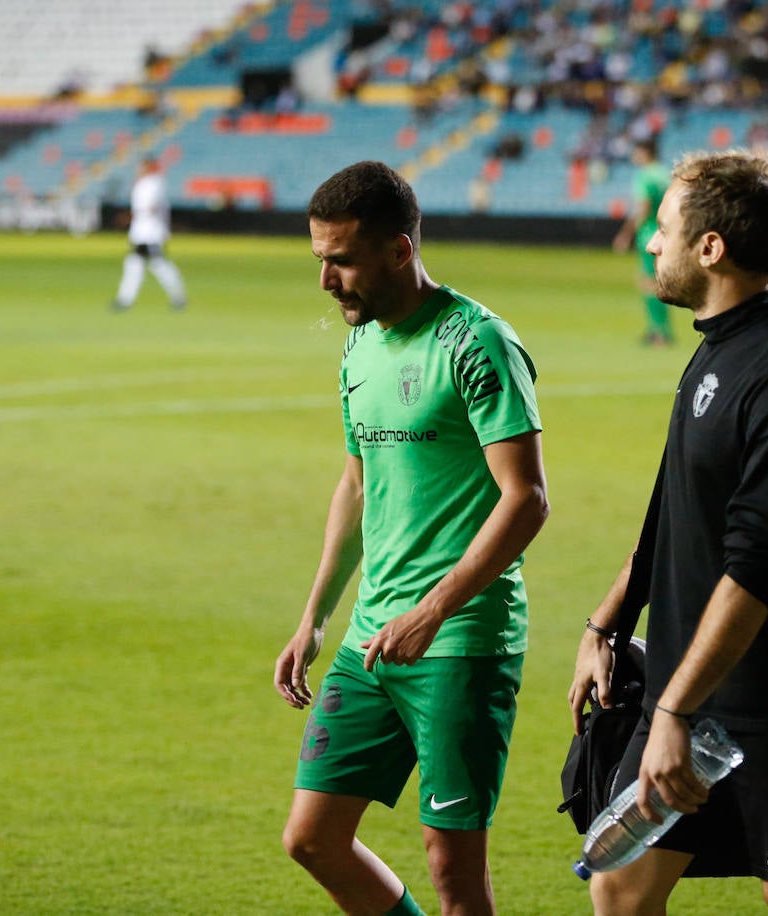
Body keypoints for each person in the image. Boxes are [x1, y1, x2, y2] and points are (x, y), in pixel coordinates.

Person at [569, 150, 768, 916]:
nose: (650, 242)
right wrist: (607, 622)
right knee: (618, 884)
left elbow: (756, 569)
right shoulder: (717, 352)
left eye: (664, 228)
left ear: (710, 248)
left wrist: (675, 712)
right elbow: (673, 510)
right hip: (691, 692)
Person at [275, 160, 550, 916]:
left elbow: (525, 501)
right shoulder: (359, 347)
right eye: (319, 259)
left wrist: (432, 611)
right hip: (372, 639)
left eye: (341, 260)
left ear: (399, 250)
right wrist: (315, 616)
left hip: (459, 641)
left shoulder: (476, 343)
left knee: (454, 874)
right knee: (313, 837)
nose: (326, 281)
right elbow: (358, 485)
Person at [612, 137, 674, 347]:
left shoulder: (645, 176)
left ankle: (658, 332)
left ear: (645, 152)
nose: (634, 156)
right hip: (667, 233)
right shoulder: (665, 174)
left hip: (649, 234)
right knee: (660, 282)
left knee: (649, 283)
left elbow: (643, 207)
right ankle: (663, 329)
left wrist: (626, 234)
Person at [111, 155, 186, 312]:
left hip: (151, 232)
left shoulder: (154, 183)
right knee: (135, 265)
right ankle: (125, 299)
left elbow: (152, 205)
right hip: (141, 233)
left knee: (157, 264)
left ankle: (179, 296)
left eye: (143, 166)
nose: (139, 169)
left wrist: (133, 215)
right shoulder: (143, 183)